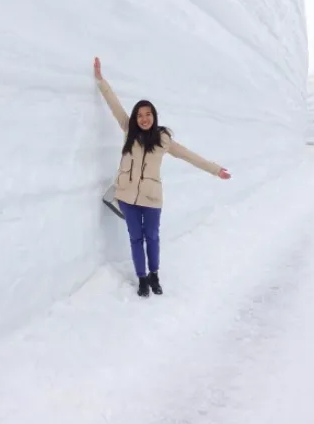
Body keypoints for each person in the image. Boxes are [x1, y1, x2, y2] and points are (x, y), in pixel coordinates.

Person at [93, 57, 231, 296]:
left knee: (152, 238)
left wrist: (214, 169)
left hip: (151, 198)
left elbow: (188, 155)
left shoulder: (163, 139)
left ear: (154, 116)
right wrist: (100, 80)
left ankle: (154, 275)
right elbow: (113, 103)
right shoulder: (128, 130)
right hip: (126, 196)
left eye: (148, 115)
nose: (144, 119)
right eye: (140, 115)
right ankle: (142, 278)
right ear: (135, 118)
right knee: (135, 238)